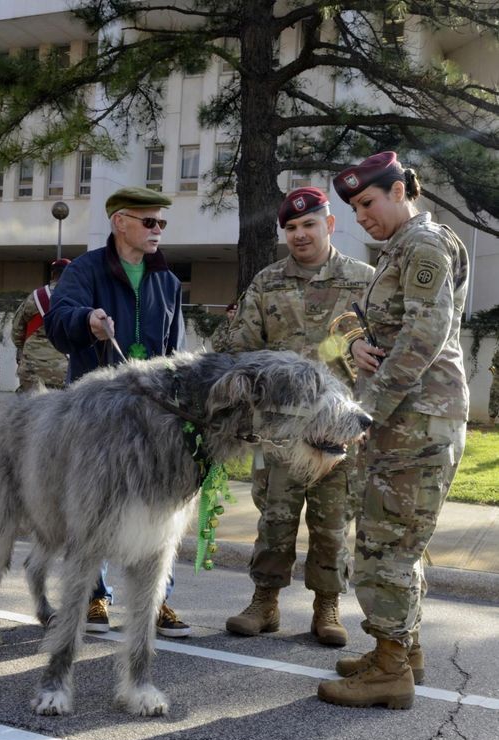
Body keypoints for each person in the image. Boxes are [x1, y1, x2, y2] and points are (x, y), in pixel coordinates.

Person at [316, 151, 469, 710]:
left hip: (416, 421)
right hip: (409, 419)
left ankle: (388, 671)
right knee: (400, 542)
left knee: (387, 546)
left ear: (401, 190)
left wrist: (364, 412)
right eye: (354, 208)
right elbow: (370, 318)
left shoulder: (424, 246)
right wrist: (354, 340)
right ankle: (404, 651)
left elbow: (424, 336)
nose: (361, 216)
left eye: (367, 203)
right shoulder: (400, 251)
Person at [213, 187, 375, 645]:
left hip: (338, 430)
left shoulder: (364, 281)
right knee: (275, 518)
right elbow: (237, 350)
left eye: (308, 224)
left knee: (331, 522)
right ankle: (265, 603)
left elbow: (384, 350)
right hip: (279, 430)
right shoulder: (267, 283)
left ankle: (327, 608)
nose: (299, 234)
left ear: (329, 224)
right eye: (291, 228)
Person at [45, 185, 191, 637]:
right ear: (120, 222)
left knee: (156, 509)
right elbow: (57, 321)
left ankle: (157, 599)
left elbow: (174, 348)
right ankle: (91, 596)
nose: (158, 231)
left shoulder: (166, 279)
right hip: (96, 414)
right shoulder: (85, 270)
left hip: (152, 418)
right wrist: (85, 321)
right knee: (95, 507)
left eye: (162, 223)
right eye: (150, 222)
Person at [11, 259, 71, 391]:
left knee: (27, 409)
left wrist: (27, 349)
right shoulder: (75, 298)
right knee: (59, 409)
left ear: (52, 275)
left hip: (31, 368)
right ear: (70, 274)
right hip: (62, 369)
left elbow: (16, 332)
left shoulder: (35, 297)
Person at [488, 344, 499, 425]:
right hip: (497, 379)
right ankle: (491, 421)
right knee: (494, 396)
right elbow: (493, 366)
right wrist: (495, 376)